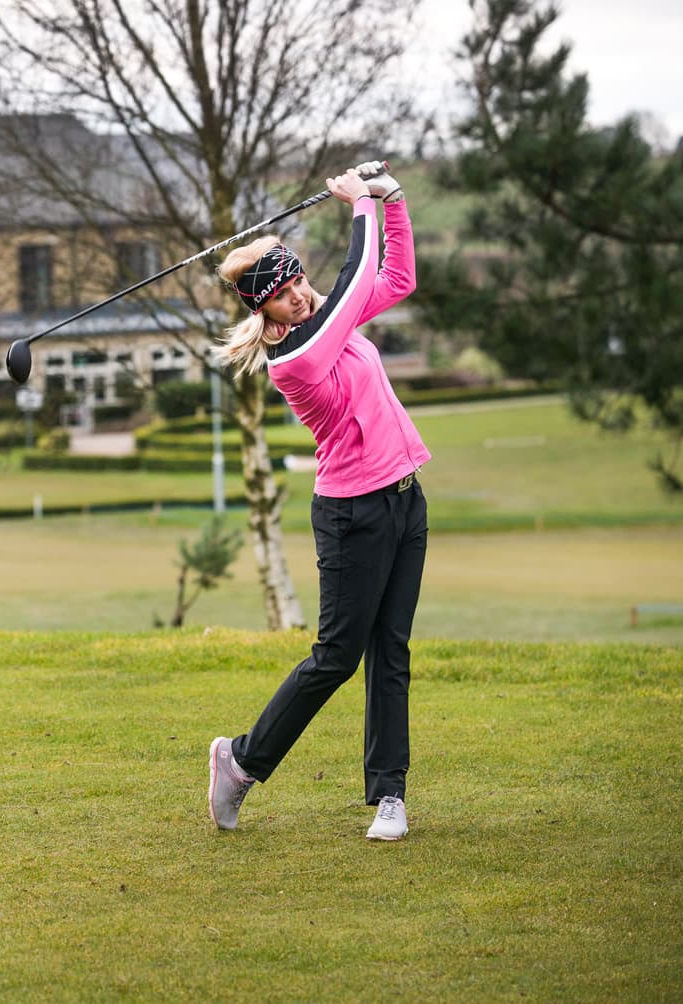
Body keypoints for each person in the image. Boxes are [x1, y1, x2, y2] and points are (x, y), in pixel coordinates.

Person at [208, 165, 429, 840]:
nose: (300, 296)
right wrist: (360, 203)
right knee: (338, 656)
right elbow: (360, 278)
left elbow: (396, 280)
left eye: (300, 281)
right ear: (262, 311)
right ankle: (240, 761)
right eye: (283, 294)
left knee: (391, 649)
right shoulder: (296, 357)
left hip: (403, 500)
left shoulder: (325, 314)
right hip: (351, 515)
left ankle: (389, 795)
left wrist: (391, 204)